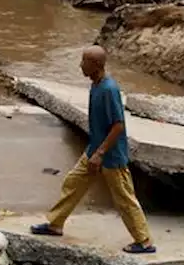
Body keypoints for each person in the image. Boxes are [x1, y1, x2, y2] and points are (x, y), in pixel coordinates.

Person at [31, 46, 156, 254]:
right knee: (73, 182)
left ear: (95, 65)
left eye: (84, 62)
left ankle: (144, 241)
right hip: (95, 149)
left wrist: (100, 153)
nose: (80, 65)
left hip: (110, 156)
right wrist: (94, 151)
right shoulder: (95, 86)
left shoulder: (109, 90)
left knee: (124, 198)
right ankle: (55, 224)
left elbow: (118, 126)